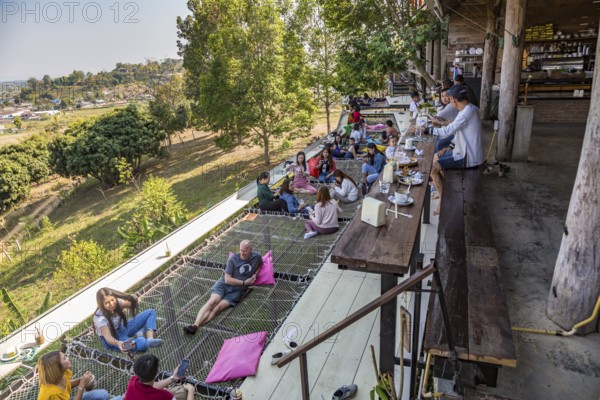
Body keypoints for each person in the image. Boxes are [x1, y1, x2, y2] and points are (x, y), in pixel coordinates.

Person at [184, 240, 263, 335]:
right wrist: (244, 282)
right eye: (241, 250)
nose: (242, 253)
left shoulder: (257, 256)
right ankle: (195, 325)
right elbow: (227, 279)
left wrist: (255, 274)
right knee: (212, 302)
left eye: (245, 251)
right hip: (225, 285)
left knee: (217, 308)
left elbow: (260, 265)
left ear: (251, 250)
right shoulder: (233, 259)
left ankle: (195, 327)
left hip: (237, 291)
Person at [430, 85, 483, 215]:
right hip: (468, 153)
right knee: (438, 155)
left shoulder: (466, 113)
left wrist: (425, 130)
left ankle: (442, 200)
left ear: (453, 99)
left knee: (433, 167)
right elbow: (461, 134)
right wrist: (450, 146)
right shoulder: (471, 109)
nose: (449, 102)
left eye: (449, 99)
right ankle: (444, 193)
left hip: (468, 157)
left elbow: (447, 130)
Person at [94, 288, 163, 354]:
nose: (111, 304)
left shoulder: (117, 302)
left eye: (112, 300)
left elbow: (130, 305)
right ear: (101, 305)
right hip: (115, 340)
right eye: (107, 303)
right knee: (143, 345)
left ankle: (150, 339)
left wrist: (134, 300)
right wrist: (118, 343)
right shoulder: (100, 318)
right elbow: (107, 337)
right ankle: (140, 335)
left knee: (150, 312)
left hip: (123, 328)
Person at [37, 351, 118, 400]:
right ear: (57, 367)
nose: (68, 358)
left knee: (103, 394)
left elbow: (67, 384)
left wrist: (81, 380)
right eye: (64, 358)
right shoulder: (53, 394)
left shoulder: (60, 374)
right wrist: (81, 385)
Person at [125, 354, 195, 400]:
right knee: (185, 392)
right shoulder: (164, 396)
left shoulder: (133, 381)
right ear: (157, 372)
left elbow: (154, 386)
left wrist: (173, 377)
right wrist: (191, 390)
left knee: (180, 391)